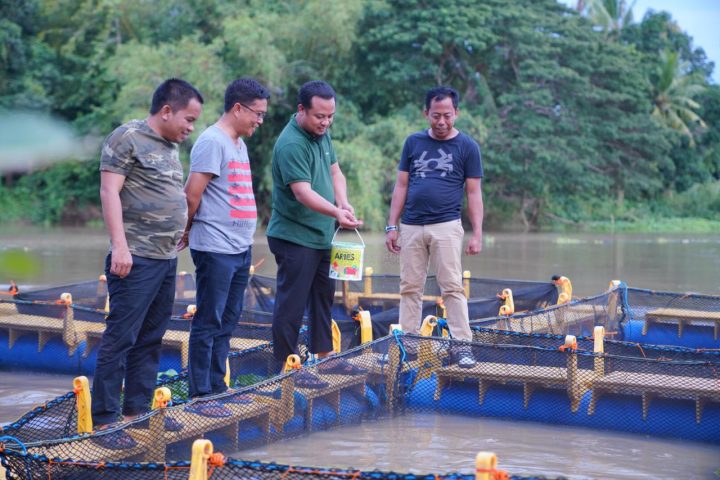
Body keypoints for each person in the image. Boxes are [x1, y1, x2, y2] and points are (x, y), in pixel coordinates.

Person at [92, 78, 204, 427]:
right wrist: (120, 247)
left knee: (152, 337)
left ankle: (136, 411)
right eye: (188, 119)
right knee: (121, 336)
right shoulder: (127, 137)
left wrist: (179, 230)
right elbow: (110, 192)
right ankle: (106, 419)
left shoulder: (170, 146)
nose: (190, 128)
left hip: (165, 258)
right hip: (135, 257)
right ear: (167, 110)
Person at [266, 80, 364, 378]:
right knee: (291, 303)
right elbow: (302, 192)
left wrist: (343, 203)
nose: (325, 122)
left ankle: (325, 356)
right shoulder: (292, 143)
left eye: (330, 115)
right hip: (294, 236)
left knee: (323, 297)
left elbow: (335, 172)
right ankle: (287, 365)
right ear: (301, 110)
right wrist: (336, 212)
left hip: (321, 235)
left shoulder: (321, 135)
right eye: (319, 116)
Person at [180, 78, 269, 399]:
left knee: (228, 320)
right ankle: (200, 393)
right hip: (214, 247)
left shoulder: (239, 144)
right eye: (256, 114)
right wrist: (186, 230)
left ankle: (218, 386)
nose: (259, 120)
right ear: (237, 108)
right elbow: (192, 195)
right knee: (209, 319)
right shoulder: (211, 141)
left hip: (240, 248)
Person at [385, 86, 483, 368]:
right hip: (412, 226)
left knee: (452, 287)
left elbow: (474, 193)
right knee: (409, 287)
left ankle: (462, 346)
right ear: (426, 113)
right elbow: (401, 185)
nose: (441, 122)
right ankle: (410, 346)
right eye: (436, 115)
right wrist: (391, 226)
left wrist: (477, 233)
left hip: (447, 226)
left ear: (457, 114)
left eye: (447, 116)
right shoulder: (413, 143)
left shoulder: (467, 147)